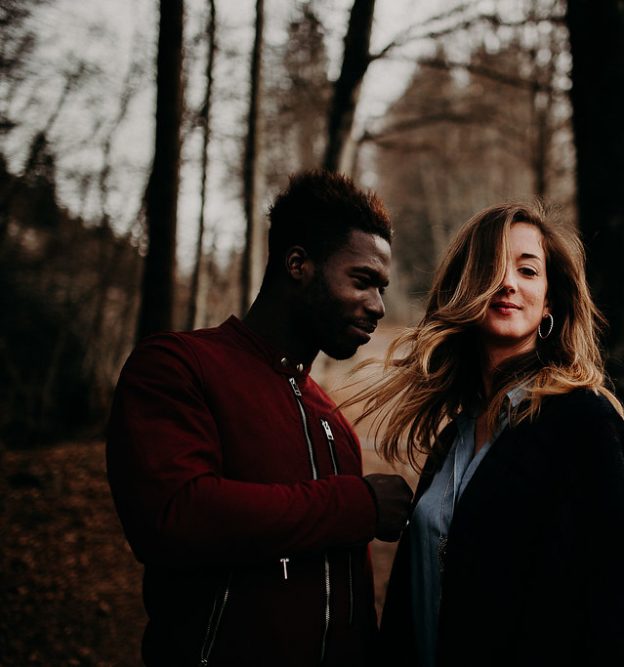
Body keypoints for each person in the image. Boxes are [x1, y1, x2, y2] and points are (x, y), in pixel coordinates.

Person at [350, 202, 624, 666]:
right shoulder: (457, 436)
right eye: (492, 268)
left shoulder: (581, 424)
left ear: (549, 300)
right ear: (465, 285)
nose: (508, 282)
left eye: (528, 270)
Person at [106, 171, 414, 666]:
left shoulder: (331, 418)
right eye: (363, 281)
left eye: (382, 288)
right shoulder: (179, 365)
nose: (378, 305)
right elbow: (174, 517)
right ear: (298, 264)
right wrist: (357, 504)